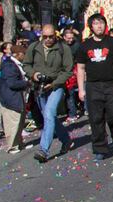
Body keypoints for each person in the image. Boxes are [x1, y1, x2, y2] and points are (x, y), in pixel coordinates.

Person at [75, 14, 113, 160]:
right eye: (95, 23)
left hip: (112, 84)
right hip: (93, 86)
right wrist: (81, 89)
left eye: (101, 23)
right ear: (91, 27)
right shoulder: (84, 46)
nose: (99, 26)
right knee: (96, 118)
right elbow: (80, 68)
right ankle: (100, 148)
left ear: (105, 25)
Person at [25, 24, 76, 163]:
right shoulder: (34, 47)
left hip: (56, 86)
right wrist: (33, 75)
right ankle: (66, 140)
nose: (48, 39)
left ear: (55, 35)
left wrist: (55, 83)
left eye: (51, 37)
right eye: (45, 37)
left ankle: (43, 150)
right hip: (39, 86)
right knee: (50, 117)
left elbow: (68, 70)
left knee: (49, 113)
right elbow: (26, 65)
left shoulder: (63, 48)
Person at [0, 44, 31, 153]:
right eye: (23, 54)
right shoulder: (9, 65)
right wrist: (26, 83)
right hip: (10, 98)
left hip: (17, 97)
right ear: (17, 54)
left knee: (19, 122)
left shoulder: (16, 64)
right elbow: (12, 83)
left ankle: (19, 144)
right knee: (13, 123)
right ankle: (12, 147)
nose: (25, 56)